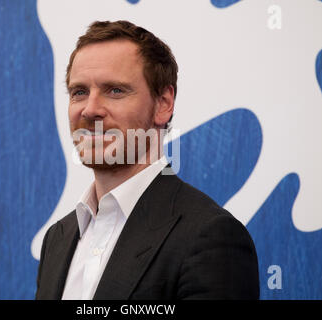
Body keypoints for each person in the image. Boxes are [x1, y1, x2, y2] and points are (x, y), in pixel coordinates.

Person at [35, 20, 259, 300]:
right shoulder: (57, 238)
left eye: (115, 90)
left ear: (163, 104)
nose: (90, 109)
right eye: (79, 92)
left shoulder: (210, 236)